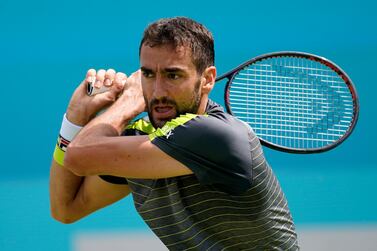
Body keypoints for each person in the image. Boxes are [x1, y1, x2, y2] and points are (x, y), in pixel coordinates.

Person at [50, 17, 299, 250]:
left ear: (207, 79)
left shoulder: (218, 136)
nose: (158, 91)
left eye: (173, 75)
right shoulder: (141, 138)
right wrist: (75, 117)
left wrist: (127, 103)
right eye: (148, 74)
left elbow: (78, 156)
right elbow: (67, 208)